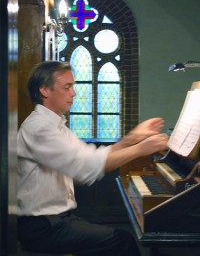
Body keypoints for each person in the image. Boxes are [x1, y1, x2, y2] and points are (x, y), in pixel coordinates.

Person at [17, 61, 169, 256]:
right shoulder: (40, 128)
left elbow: (90, 156)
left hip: (56, 221)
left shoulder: (55, 125)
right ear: (45, 90)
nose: (74, 93)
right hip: (42, 227)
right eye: (67, 87)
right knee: (122, 242)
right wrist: (141, 148)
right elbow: (86, 168)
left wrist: (132, 139)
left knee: (118, 239)